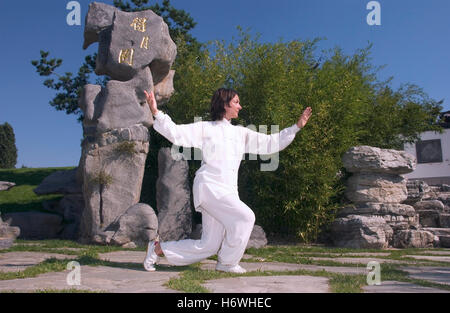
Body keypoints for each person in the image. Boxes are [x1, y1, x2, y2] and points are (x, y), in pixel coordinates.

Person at [143, 88, 312, 273]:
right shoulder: (205, 128)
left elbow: (270, 142)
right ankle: (227, 263)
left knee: (209, 245)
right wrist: (156, 112)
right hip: (209, 188)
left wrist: (296, 127)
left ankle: (157, 249)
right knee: (246, 217)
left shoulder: (241, 133)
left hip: (227, 191)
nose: (240, 106)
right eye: (237, 102)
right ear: (225, 104)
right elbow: (175, 133)